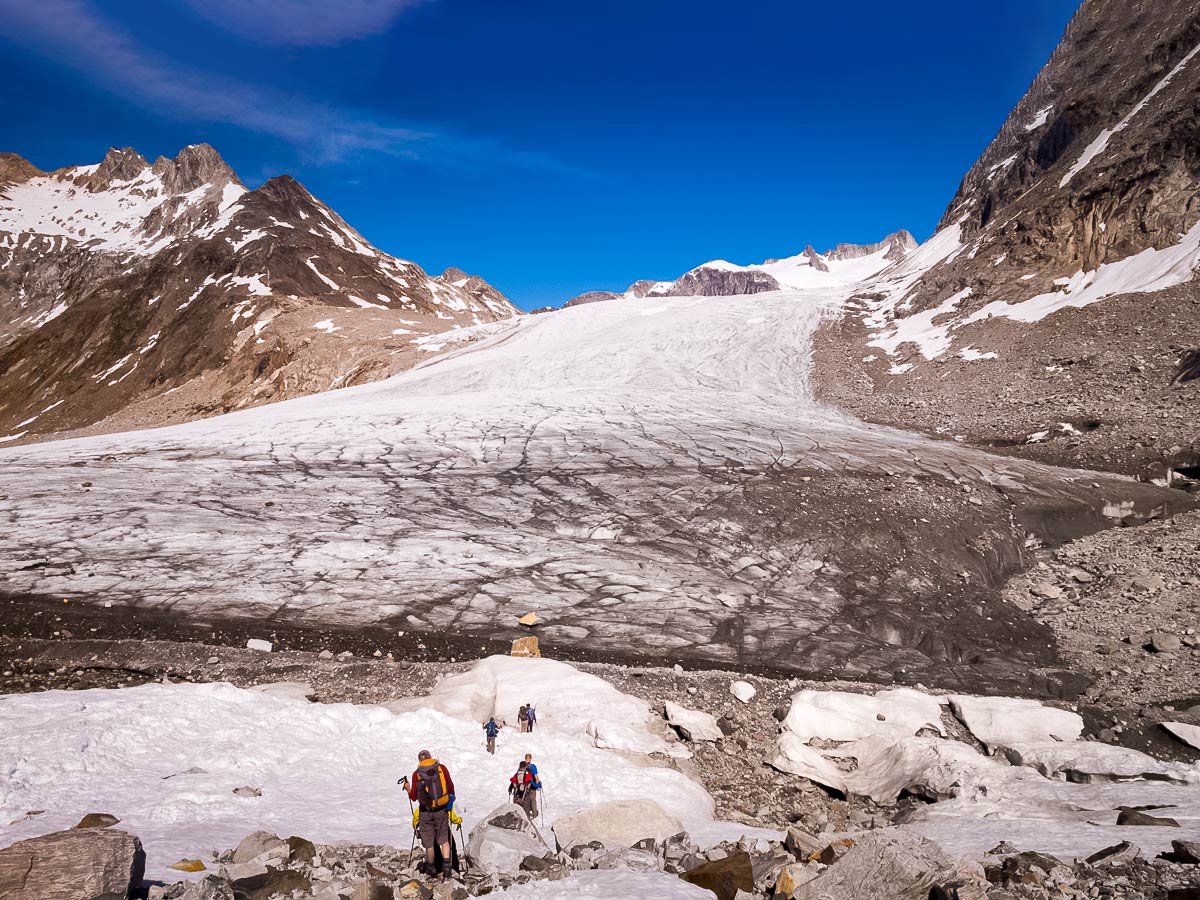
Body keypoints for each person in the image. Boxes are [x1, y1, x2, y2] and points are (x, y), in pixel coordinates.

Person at [406, 749, 456, 882]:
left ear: (420, 760)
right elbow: (450, 787)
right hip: (441, 810)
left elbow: (414, 797)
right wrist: (449, 803)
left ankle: (431, 870)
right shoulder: (441, 768)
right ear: (430, 757)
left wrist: (407, 788)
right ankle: (447, 872)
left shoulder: (417, 774)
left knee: (429, 844)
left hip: (425, 812)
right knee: (444, 840)